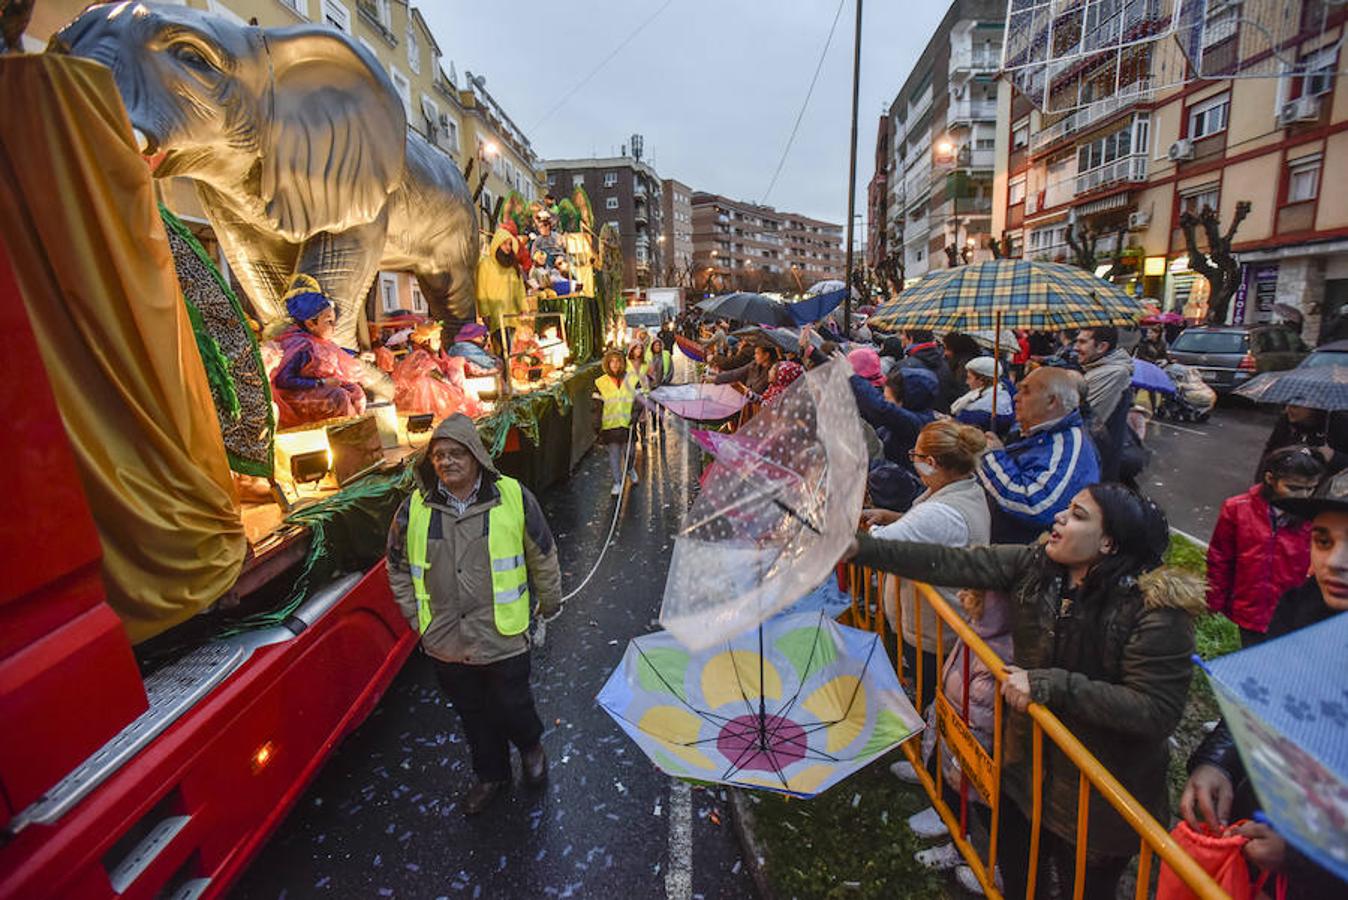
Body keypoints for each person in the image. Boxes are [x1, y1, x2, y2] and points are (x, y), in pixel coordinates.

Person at [851, 483, 1205, 900]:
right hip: (1025, 773)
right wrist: (858, 549)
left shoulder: (1155, 613)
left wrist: (1049, 685)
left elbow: (1155, 710)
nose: (1058, 518)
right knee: (1022, 879)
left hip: (1096, 800)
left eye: (1077, 515)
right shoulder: (1037, 565)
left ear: (1108, 543)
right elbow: (947, 561)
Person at [1181, 470, 1348, 899]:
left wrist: (1301, 856)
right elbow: (1259, 699)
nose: (1335, 562)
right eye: (1324, 540)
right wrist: (1217, 762)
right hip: (1263, 826)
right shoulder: (1301, 605)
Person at [386, 414, 561, 815]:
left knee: (513, 705)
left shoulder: (513, 496)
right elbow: (396, 566)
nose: (446, 462)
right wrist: (417, 619)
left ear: (477, 456)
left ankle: (531, 750)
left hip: (502, 635)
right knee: (473, 715)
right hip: (446, 642)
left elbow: (543, 553)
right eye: (438, 455)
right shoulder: (412, 510)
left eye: (456, 454)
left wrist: (549, 602)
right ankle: (491, 775)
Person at [860, 421, 991, 716]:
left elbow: (882, 546)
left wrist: (864, 533)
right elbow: (922, 528)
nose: (914, 460)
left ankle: (924, 748)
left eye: (916, 455)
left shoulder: (941, 511)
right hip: (933, 622)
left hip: (934, 629)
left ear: (931, 463)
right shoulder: (963, 489)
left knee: (929, 693)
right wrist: (892, 516)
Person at [1206, 447, 1323, 646]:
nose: (1303, 496)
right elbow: (1220, 559)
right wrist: (1213, 604)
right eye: (1293, 488)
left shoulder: (1316, 517)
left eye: (1310, 489)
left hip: (1294, 616)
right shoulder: (1237, 509)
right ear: (1270, 478)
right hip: (1248, 611)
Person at [977, 366, 1102, 544]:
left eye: (1026, 392)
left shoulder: (1068, 447)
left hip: (1018, 554)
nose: (1016, 397)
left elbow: (1034, 505)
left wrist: (992, 457)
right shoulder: (1035, 432)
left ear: (1052, 401)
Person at [270, 279, 366, 428]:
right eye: (329, 322)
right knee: (338, 397)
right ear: (310, 323)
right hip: (295, 397)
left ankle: (358, 430)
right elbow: (284, 380)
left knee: (355, 390)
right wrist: (320, 383)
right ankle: (345, 435)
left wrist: (359, 357)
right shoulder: (299, 345)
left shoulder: (318, 341)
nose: (334, 327)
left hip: (322, 389)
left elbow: (337, 353)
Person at [852, 366, 940, 512]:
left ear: (904, 402)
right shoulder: (909, 422)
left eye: (887, 399)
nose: (885, 402)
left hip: (901, 501)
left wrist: (849, 376)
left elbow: (880, 408)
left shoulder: (916, 425)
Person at [1075, 326, 1135, 480]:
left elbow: (1079, 414)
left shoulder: (1113, 373)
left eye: (1082, 342)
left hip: (1098, 461)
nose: (1076, 348)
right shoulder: (1098, 369)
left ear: (1102, 347)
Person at [392, 322, 481, 422]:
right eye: (436, 339)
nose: (439, 342)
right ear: (426, 341)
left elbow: (445, 365)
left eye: (439, 339)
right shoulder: (421, 354)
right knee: (428, 383)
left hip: (436, 390)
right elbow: (430, 370)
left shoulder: (435, 354)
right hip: (425, 396)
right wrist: (448, 383)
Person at [1258, 404, 1348, 481]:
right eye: (1286, 405)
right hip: (1285, 485)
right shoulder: (1287, 420)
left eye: (1295, 407)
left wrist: (1334, 457)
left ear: (1314, 406)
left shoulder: (1341, 423)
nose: (1287, 410)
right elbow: (1270, 450)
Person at [595, 349, 639, 496]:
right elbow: (596, 405)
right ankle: (617, 482)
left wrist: (635, 414)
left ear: (622, 363)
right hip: (610, 426)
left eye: (618, 361)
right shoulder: (600, 382)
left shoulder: (632, 379)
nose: (615, 364)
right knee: (614, 455)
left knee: (630, 452)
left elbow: (639, 400)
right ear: (607, 363)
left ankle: (630, 468)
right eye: (612, 361)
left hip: (627, 424)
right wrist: (596, 422)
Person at [950, 356, 1014, 436]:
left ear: (981, 380)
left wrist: (951, 421)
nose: (967, 382)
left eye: (969, 378)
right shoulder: (1001, 391)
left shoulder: (983, 412)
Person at [897, 329, 957, 412]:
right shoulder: (945, 364)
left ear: (911, 338)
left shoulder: (904, 367)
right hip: (939, 420)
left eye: (902, 334)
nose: (900, 337)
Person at [711, 343, 776, 398]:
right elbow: (736, 373)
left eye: (757, 353)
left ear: (766, 355)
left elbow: (759, 392)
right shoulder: (754, 364)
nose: (754, 356)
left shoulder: (773, 372)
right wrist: (715, 378)